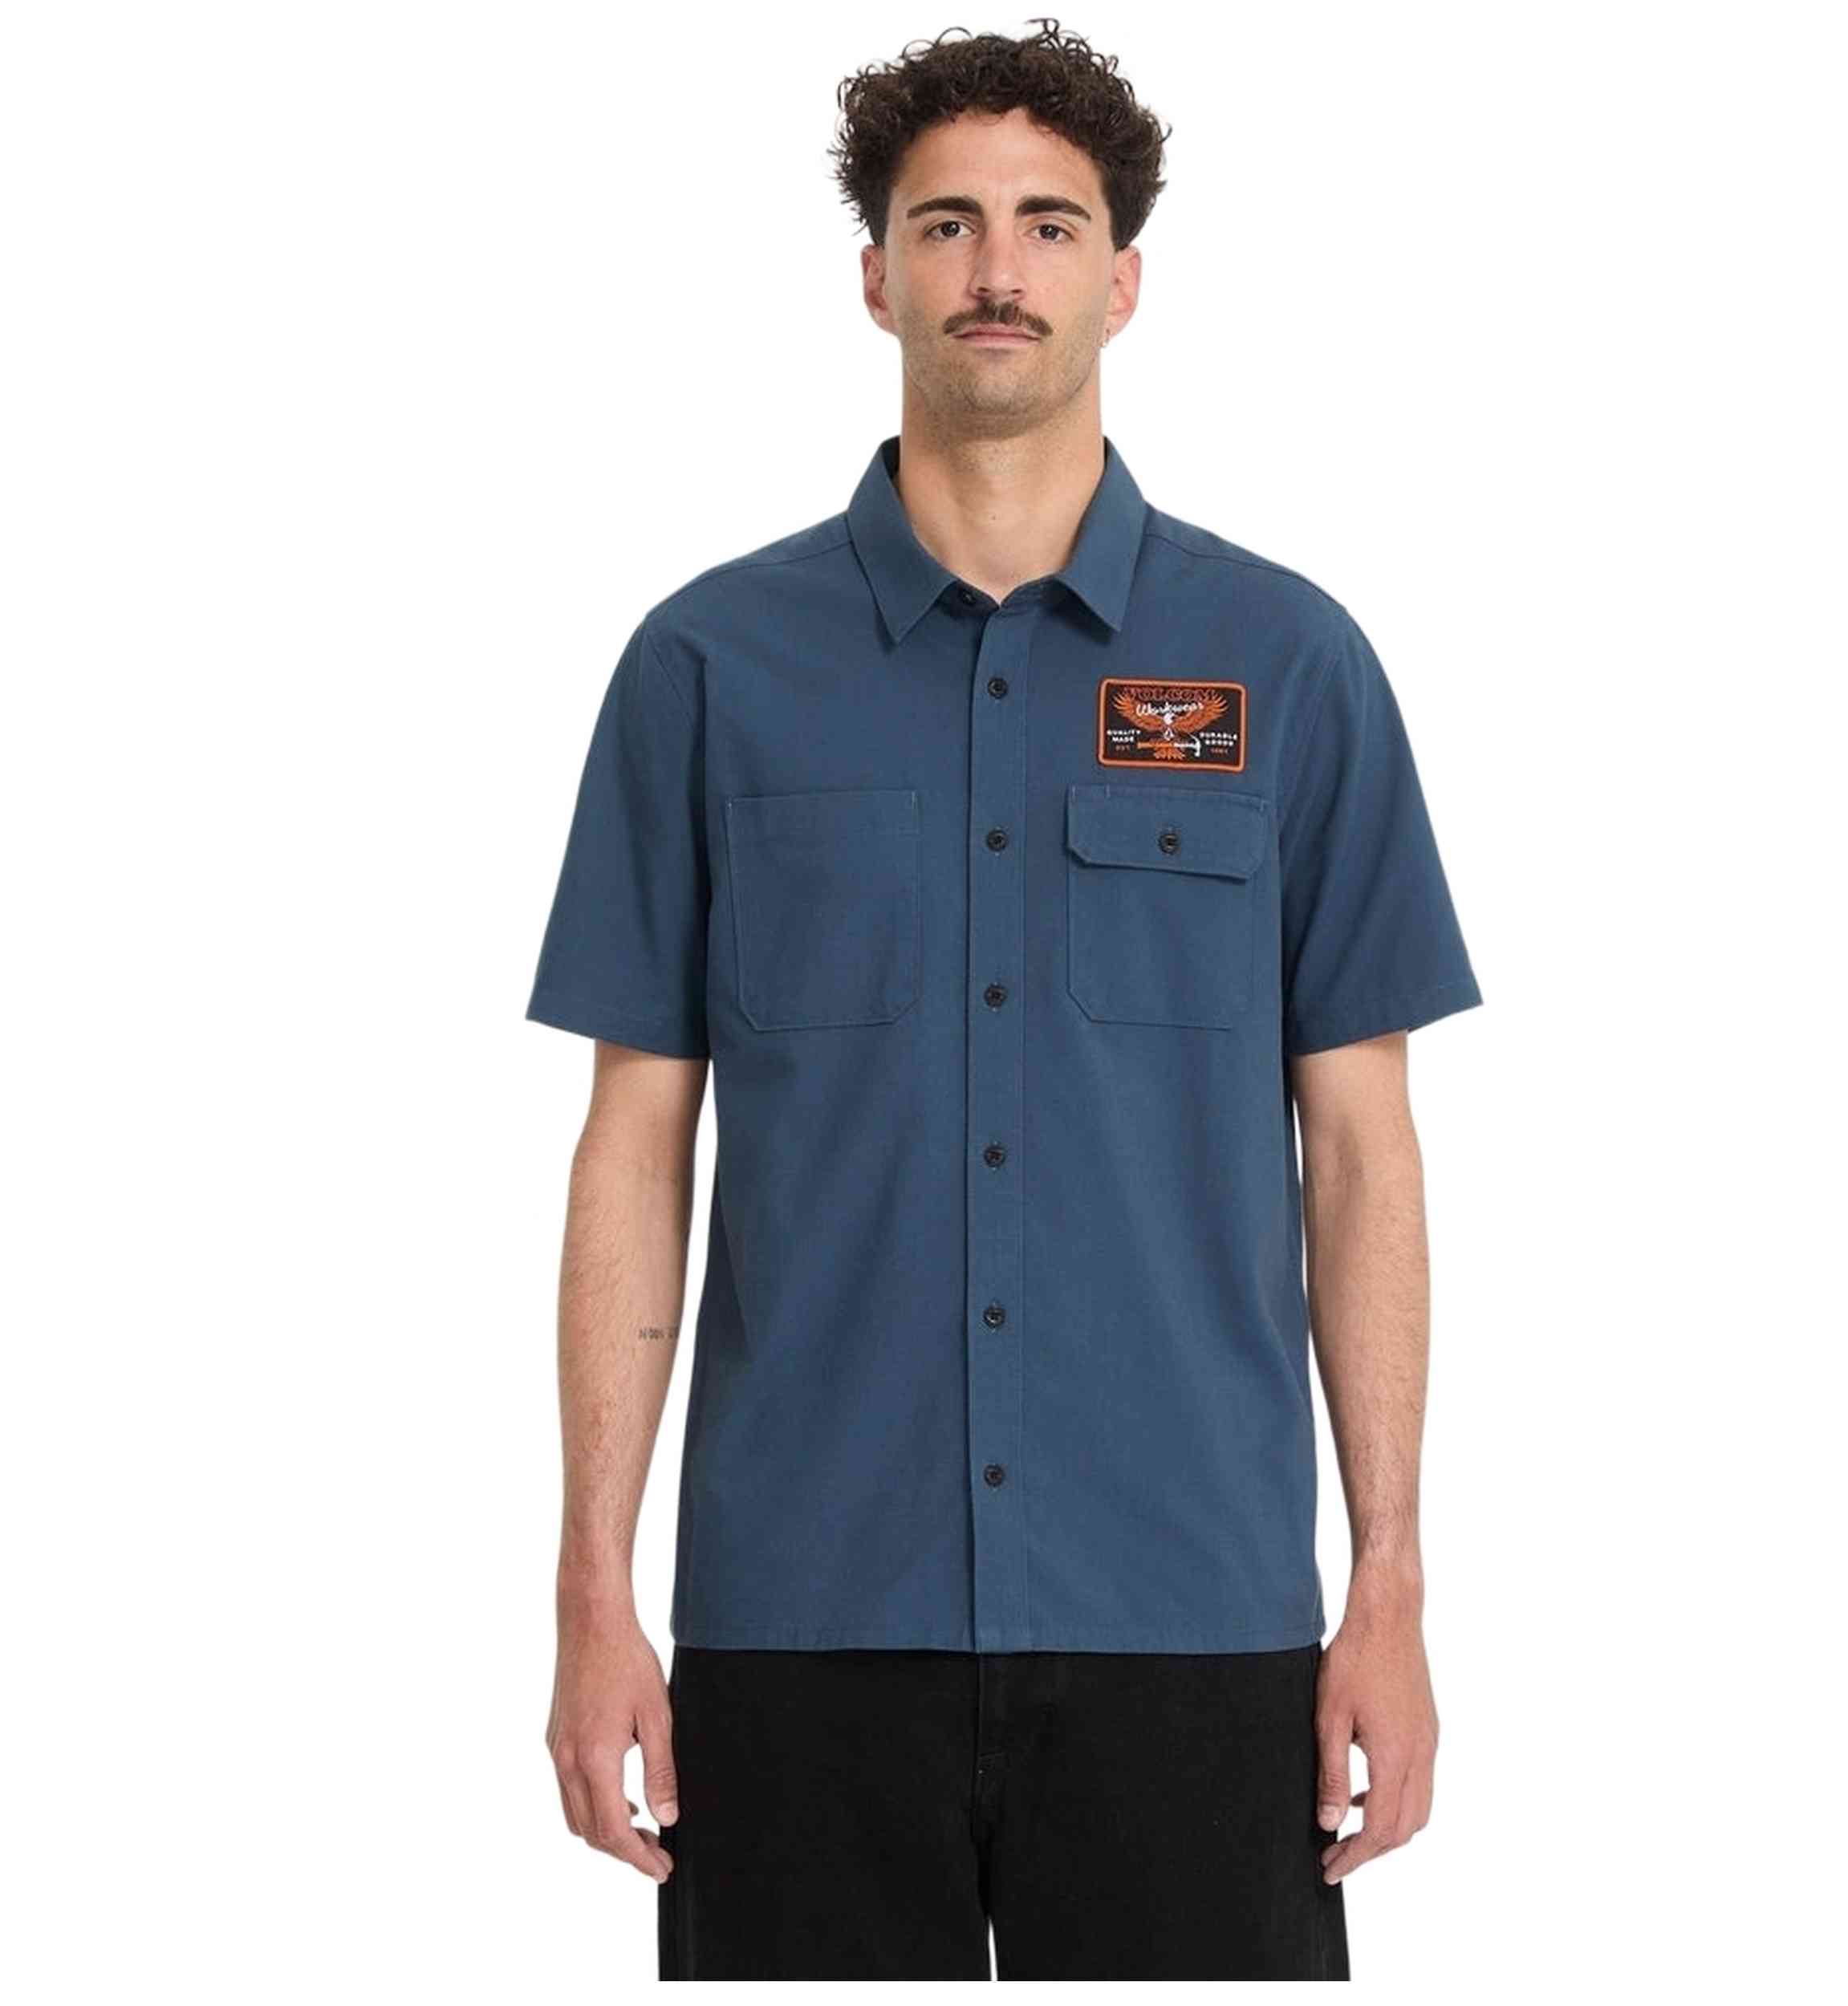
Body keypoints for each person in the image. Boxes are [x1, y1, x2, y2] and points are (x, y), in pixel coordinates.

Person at [526, 19, 1481, 1980]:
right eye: (943, 222)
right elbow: (633, 1143)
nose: (994, 268)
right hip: (797, 1615)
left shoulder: (1287, 665)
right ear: (872, 274)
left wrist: (1385, 1580)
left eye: (1048, 225)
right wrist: (589, 1588)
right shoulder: (705, 668)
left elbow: (1362, 1153)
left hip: (1193, 1609)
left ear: (1121, 280)